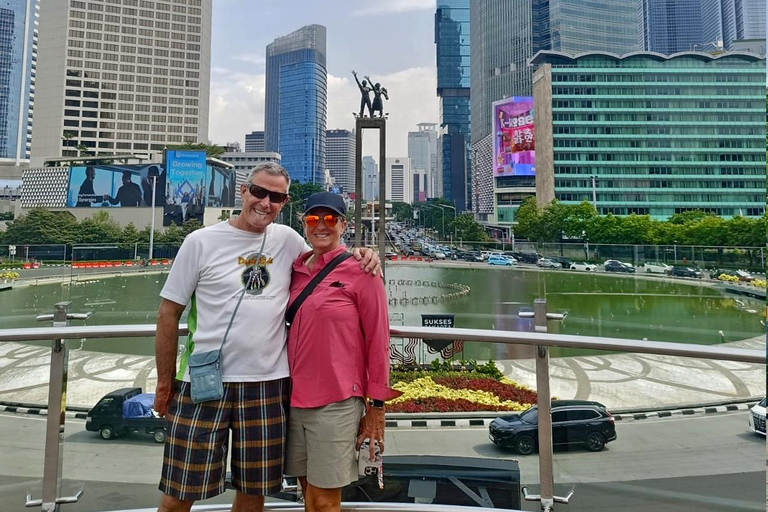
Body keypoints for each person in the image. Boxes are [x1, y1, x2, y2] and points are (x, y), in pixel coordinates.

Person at [153, 162, 380, 512]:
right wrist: (164, 383)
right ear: (243, 191)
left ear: (284, 203)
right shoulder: (199, 241)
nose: (265, 202)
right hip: (202, 381)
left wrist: (363, 253)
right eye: (259, 192)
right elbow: (168, 314)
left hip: (267, 385)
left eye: (275, 197)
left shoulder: (288, 241)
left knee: (253, 493)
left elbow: (328, 259)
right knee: (178, 493)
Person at [285, 192, 400, 512]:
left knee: (324, 501)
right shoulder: (294, 269)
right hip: (291, 400)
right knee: (306, 489)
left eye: (330, 219)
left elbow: (378, 339)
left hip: (335, 403)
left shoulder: (362, 270)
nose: (321, 225)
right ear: (303, 223)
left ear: (343, 225)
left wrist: (376, 407)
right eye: (313, 219)